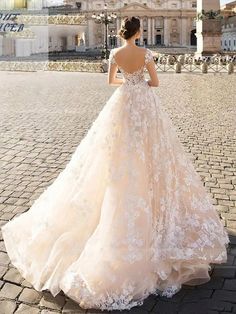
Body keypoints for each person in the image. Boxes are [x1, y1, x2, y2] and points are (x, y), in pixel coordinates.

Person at [1, 16, 229, 312]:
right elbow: (155, 83)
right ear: (139, 32)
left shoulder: (115, 54)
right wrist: (141, 82)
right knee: (154, 152)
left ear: (122, 32)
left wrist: (127, 81)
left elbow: (111, 80)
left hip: (123, 103)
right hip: (145, 104)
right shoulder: (146, 54)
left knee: (114, 153)